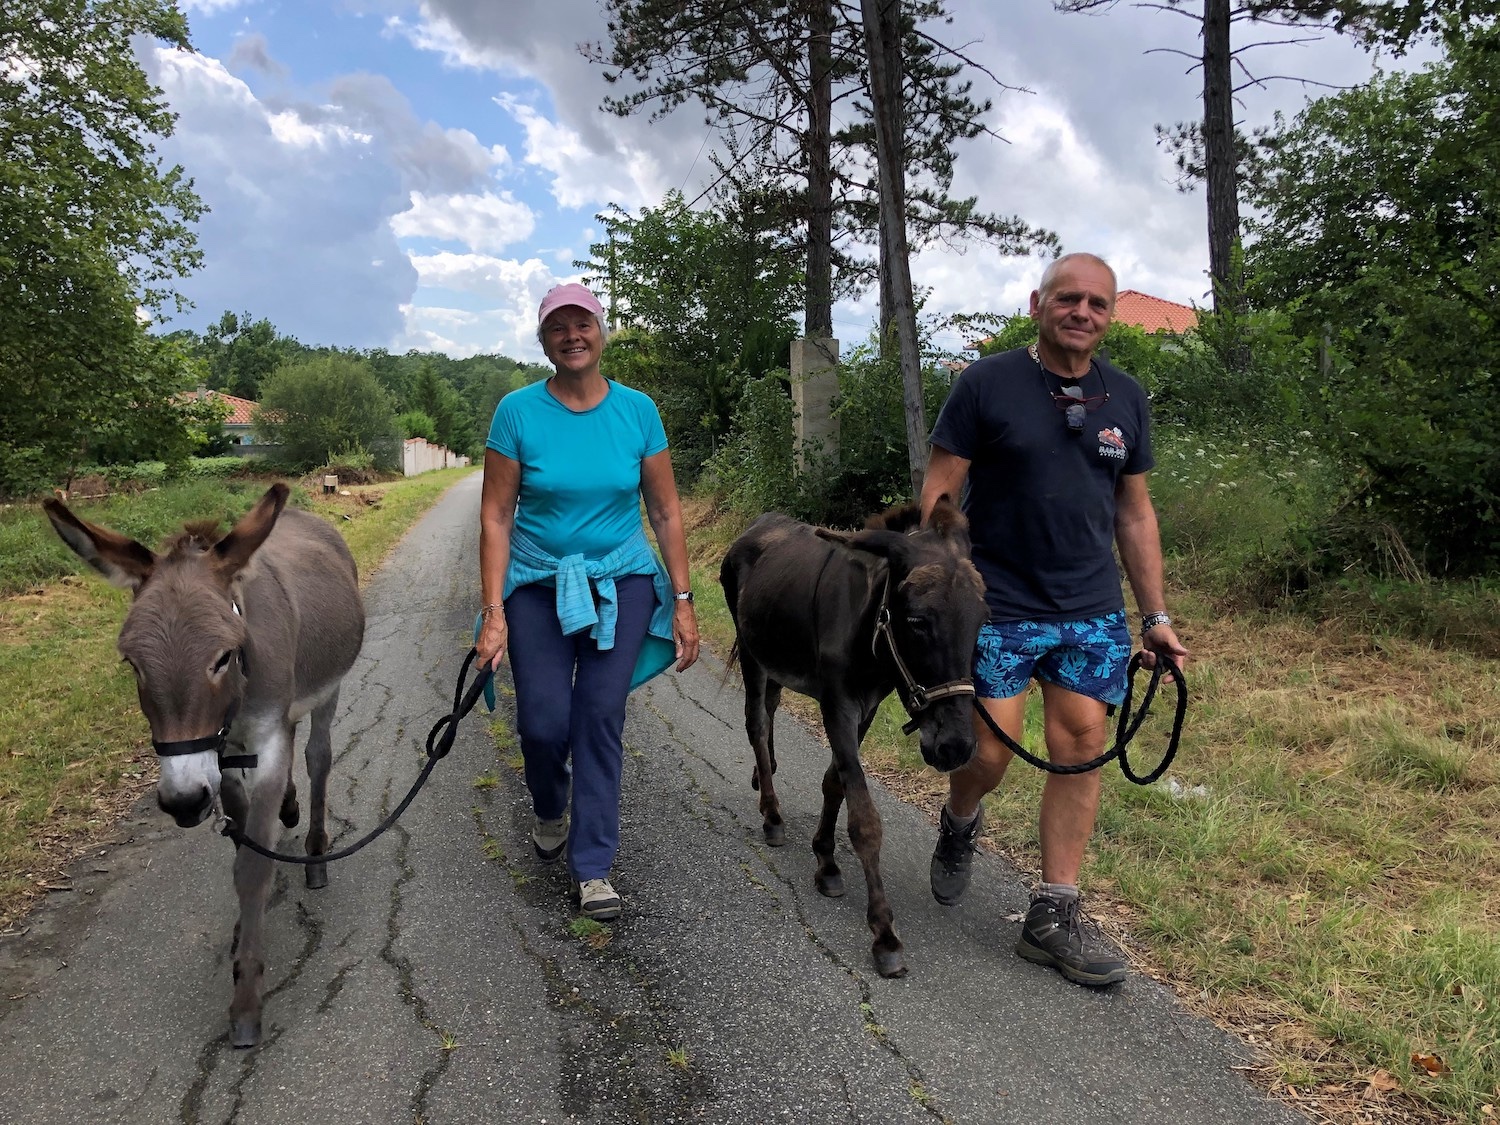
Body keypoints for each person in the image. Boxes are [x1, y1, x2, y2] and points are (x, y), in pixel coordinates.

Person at [919, 252, 1188, 986]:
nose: (1083, 312)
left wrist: (1154, 614)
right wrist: (939, 584)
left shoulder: (1126, 398)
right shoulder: (985, 384)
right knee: (989, 755)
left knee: (1082, 745)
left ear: (1108, 317)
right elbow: (939, 489)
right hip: (997, 602)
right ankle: (960, 820)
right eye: (1068, 298)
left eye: (1097, 304)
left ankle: (1052, 912)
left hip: (1090, 609)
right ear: (1038, 303)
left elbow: (1134, 513)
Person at [475, 282, 699, 922]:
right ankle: (550, 804)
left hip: (622, 581)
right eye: (557, 327)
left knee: (598, 714)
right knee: (543, 723)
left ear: (602, 330)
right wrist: (494, 613)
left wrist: (682, 599)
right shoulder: (516, 413)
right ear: (543, 340)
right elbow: (495, 515)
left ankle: (594, 864)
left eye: (583, 323)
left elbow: (664, 508)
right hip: (539, 583)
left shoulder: (637, 411)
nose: (572, 335)